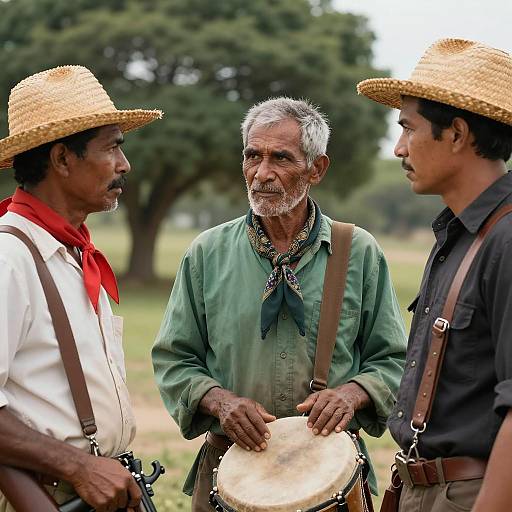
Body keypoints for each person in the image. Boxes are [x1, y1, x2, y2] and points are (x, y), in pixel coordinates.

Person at [152, 97, 407, 511]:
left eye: (281, 158)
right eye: (252, 156)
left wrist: (353, 394)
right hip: (229, 476)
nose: (261, 173)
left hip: (333, 483)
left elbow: (395, 361)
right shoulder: (207, 252)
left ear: (317, 169)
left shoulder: (357, 252)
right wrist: (221, 402)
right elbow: (174, 359)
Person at [357, 38, 512, 512]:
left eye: (409, 128)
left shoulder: (506, 241)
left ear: (458, 133)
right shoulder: (460, 234)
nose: (399, 147)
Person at [0, 65, 161, 512]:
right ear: (62, 160)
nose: (124, 165)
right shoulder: (9, 259)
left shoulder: (68, 251)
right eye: (112, 148)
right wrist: (78, 466)